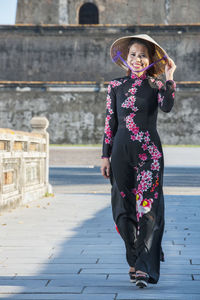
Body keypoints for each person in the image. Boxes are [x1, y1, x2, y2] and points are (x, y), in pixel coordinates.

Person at [101, 34, 176, 288]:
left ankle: (143, 267)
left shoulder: (156, 86)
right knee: (122, 211)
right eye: (133, 54)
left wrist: (169, 77)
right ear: (126, 58)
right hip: (120, 154)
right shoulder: (115, 86)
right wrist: (104, 155)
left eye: (142, 54)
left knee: (147, 209)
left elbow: (167, 107)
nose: (137, 59)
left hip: (149, 155)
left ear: (150, 59)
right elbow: (110, 123)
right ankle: (134, 257)